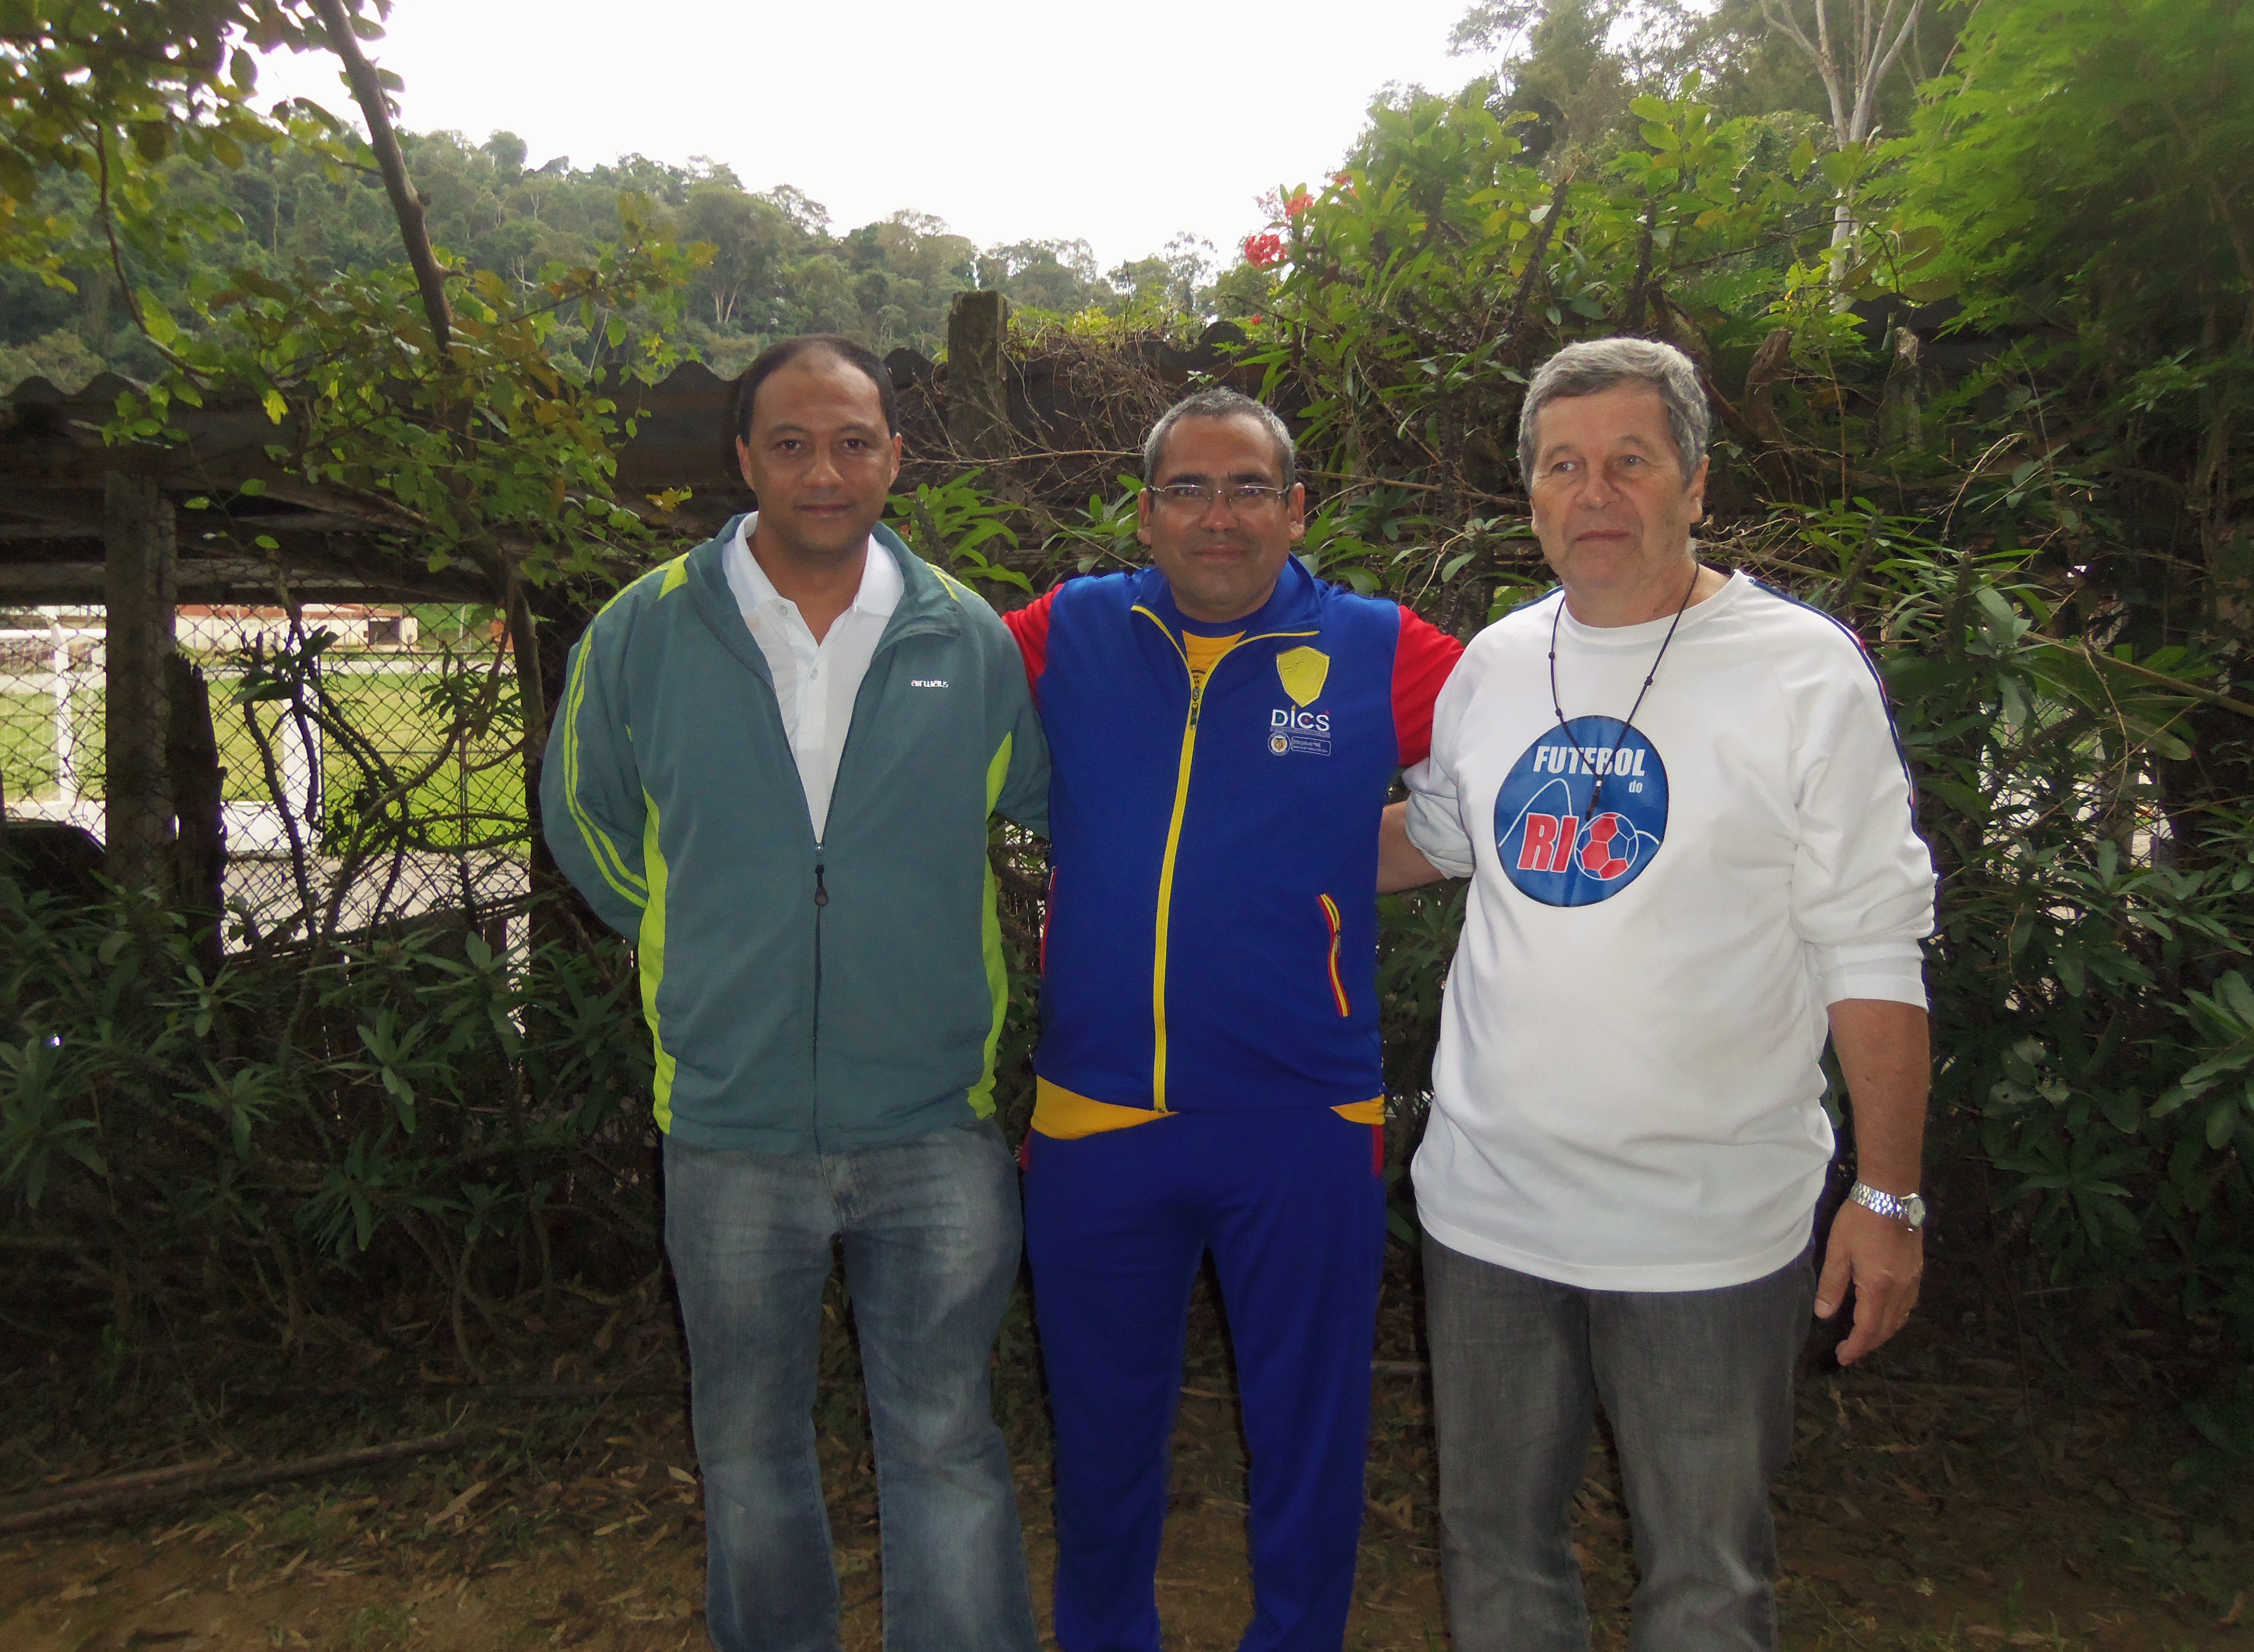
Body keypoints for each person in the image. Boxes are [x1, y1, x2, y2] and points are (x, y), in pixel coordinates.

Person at [1377, 335, 1937, 1652]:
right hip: (1490, 1215)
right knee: (1499, 1560)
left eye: (1631, 460)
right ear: (1529, 496)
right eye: (1564, 466)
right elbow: (1438, 840)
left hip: (1711, 1231)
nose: (1597, 494)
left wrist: (1892, 1195)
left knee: (1705, 1584)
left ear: (1696, 481)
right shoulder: (1497, 668)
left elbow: (1871, 945)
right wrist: (1226, 850)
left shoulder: (1800, 672)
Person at [541, 334, 1048, 1652]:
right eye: (792, 443)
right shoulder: (646, 630)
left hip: (933, 1121)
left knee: (945, 1443)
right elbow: (582, 822)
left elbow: (1045, 818)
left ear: (896, 457)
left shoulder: (969, 638)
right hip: (729, 1119)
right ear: (744, 458)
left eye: (854, 443)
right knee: (750, 1452)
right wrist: (712, 945)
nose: (825, 471)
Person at [1001, 387, 1464, 1652]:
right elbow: (913, 705)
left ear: (1296, 508)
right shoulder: (1072, 630)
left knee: (1311, 1443)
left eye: (1250, 487)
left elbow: (1516, 778)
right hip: (1097, 1119)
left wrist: (1335, 861)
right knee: (1098, 1444)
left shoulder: (1378, 645)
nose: (1221, 516)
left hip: (1303, 1116)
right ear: (1144, 514)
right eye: (1190, 490)